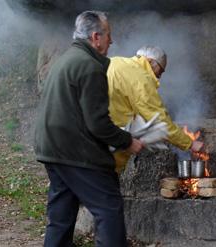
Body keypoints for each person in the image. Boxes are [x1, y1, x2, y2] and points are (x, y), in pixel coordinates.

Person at [34, 11, 143, 247]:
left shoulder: (66, 59)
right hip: (72, 149)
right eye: (108, 35)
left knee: (61, 215)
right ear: (96, 37)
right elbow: (98, 123)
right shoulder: (90, 67)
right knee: (108, 207)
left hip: (50, 147)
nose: (111, 41)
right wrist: (127, 140)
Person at [107, 45, 204, 173]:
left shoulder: (115, 62)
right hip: (108, 151)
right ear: (150, 61)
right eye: (160, 70)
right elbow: (159, 121)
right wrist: (190, 144)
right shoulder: (140, 78)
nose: (159, 76)